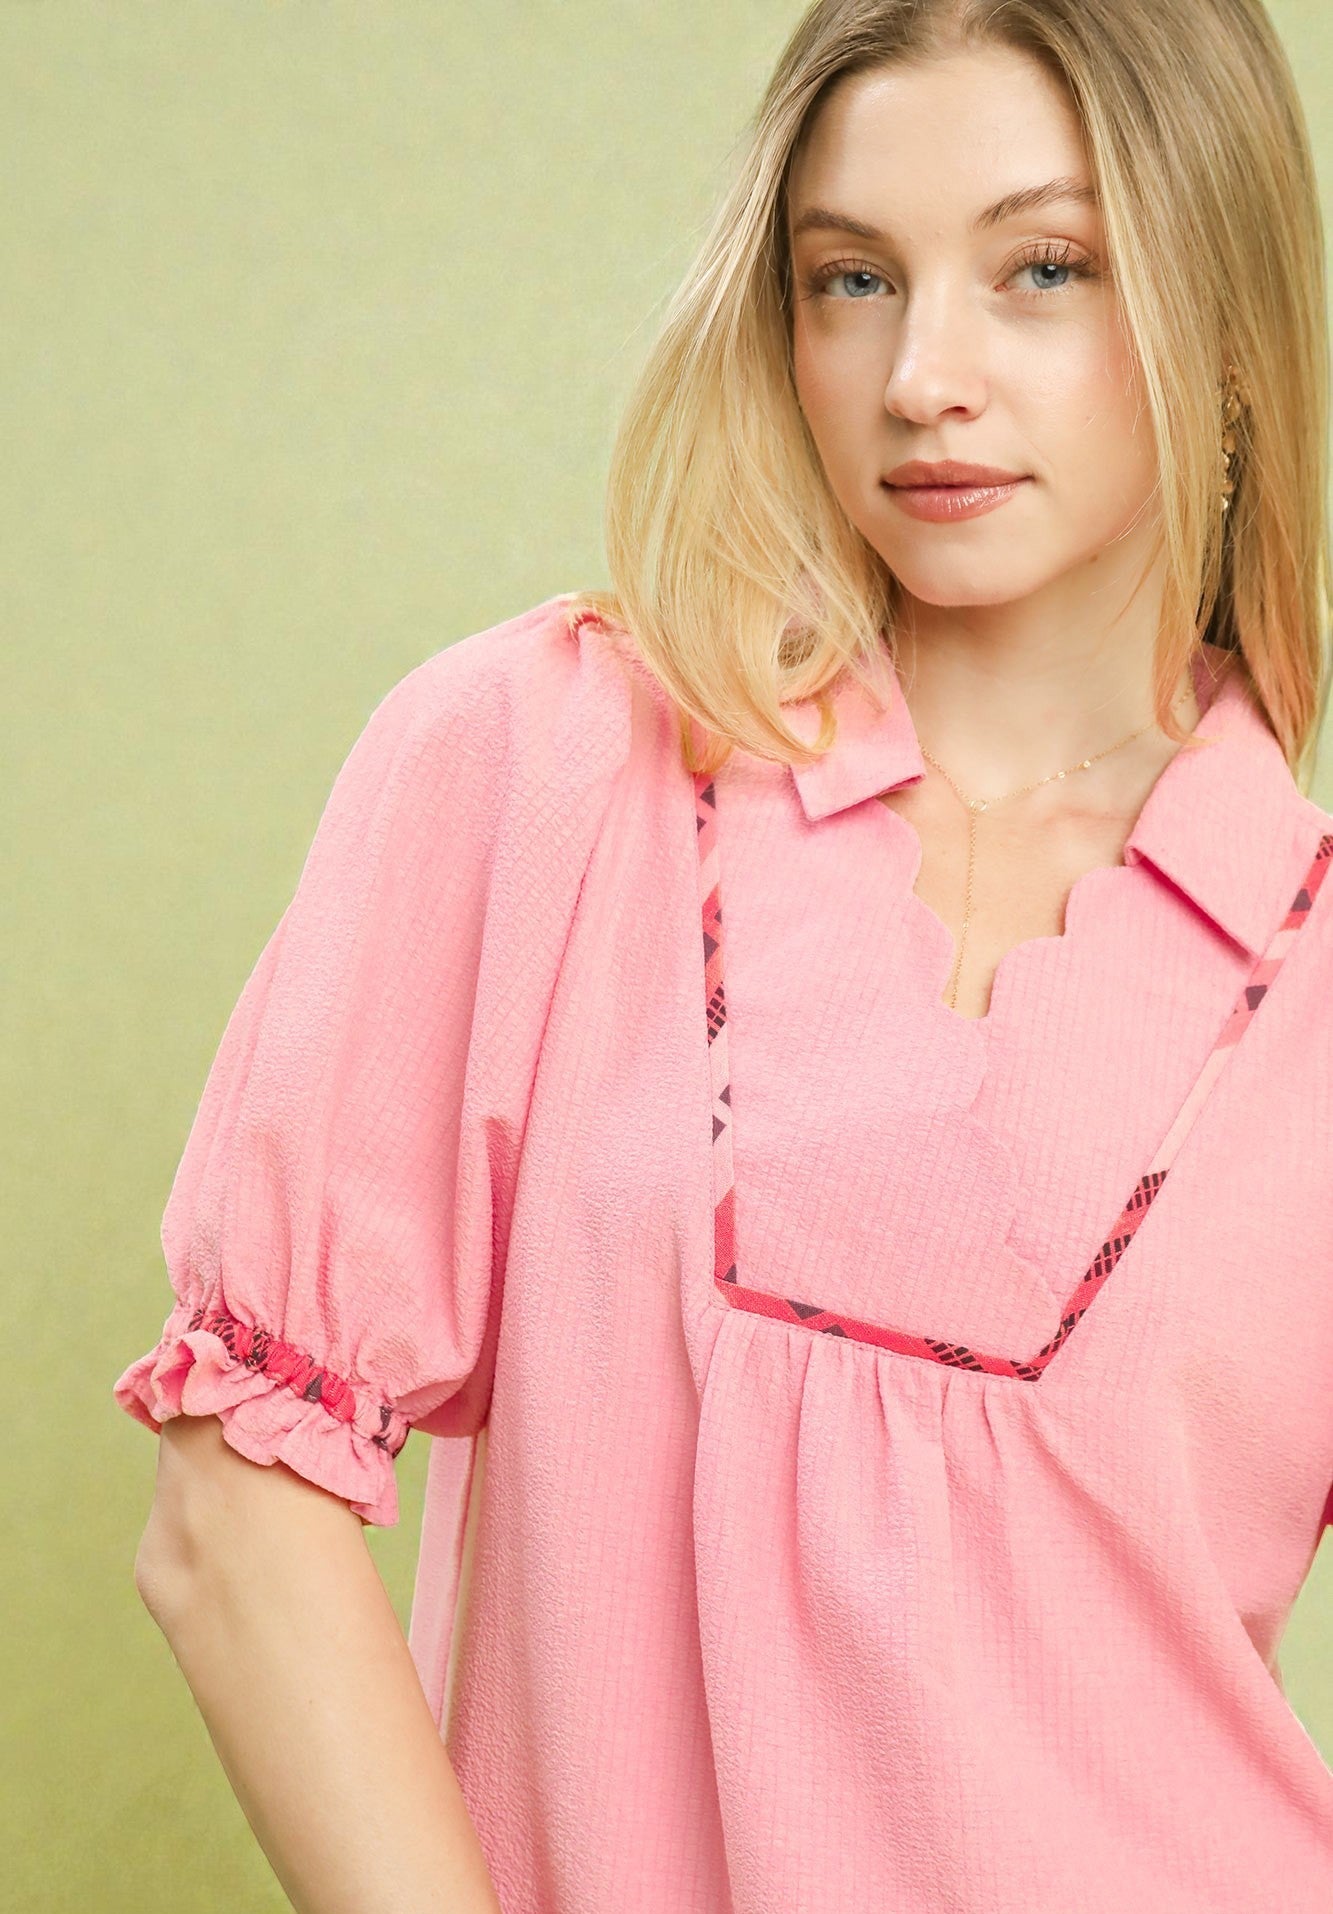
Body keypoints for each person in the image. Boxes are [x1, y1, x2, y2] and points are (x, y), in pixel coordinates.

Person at [116, 2, 1333, 1909]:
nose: (923, 372)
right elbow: (231, 1516)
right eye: (850, 276)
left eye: (1044, 268)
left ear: (1232, 322)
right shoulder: (545, 757)